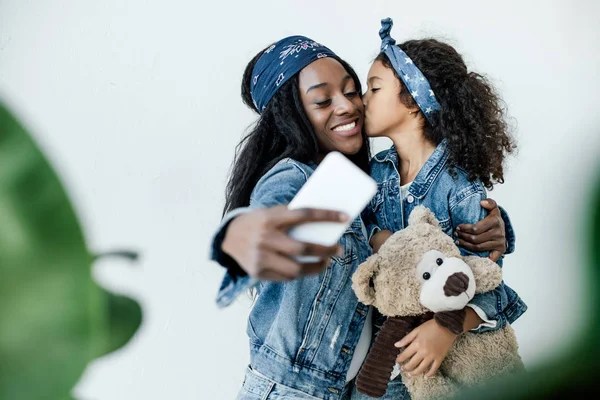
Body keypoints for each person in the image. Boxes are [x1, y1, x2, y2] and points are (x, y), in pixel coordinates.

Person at [211, 33, 515, 400]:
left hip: (372, 384)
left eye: (356, 91)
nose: (353, 106)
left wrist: (499, 230)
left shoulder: (362, 180)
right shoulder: (297, 177)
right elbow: (273, 208)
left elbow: (468, 265)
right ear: (292, 115)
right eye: (323, 100)